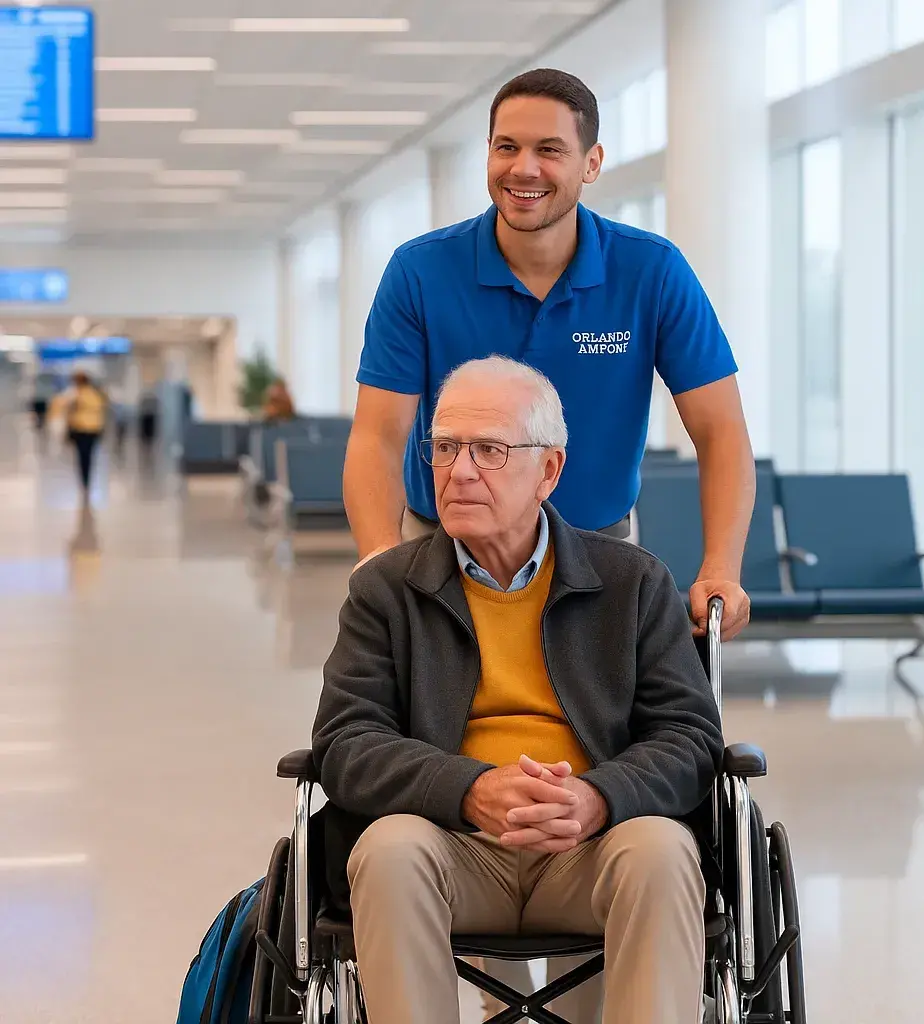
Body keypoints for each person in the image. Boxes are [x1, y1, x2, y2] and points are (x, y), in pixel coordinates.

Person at [313, 357, 723, 1024]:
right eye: (444, 447)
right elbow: (345, 743)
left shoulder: (634, 584)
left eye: (489, 450)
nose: (460, 470)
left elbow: (691, 738)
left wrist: (598, 799)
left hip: (592, 848)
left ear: (549, 471)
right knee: (387, 852)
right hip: (453, 844)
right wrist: (469, 789)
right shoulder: (385, 591)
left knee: (662, 852)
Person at [344, 66, 754, 646]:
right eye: (506, 147)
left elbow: (722, 432)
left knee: (596, 729)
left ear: (591, 162)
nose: (523, 168)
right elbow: (377, 437)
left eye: (550, 149)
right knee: (435, 729)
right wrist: (378, 560)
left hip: (600, 554)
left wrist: (721, 569)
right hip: (439, 552)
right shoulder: (420, 271)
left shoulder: (651, 272)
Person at [49, 370, 108, 503]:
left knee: (82, 456)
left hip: (81, 429)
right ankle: (87, 480)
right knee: (89, 455)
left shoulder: (75, 394)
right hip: (94, 429)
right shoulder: (96, 394)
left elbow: (60, 405)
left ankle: (84, 480)